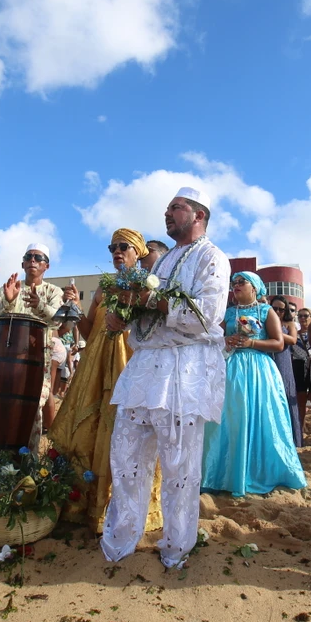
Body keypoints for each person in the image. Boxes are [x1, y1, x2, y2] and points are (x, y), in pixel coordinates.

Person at [101, 187, 230, 569]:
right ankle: (121, 540)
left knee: (179, 466)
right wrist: (123, 317)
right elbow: (145, 319)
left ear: (199, 215)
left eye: (177, 207)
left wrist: (148, 301)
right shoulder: (160, 263)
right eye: (169, 208)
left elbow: (206, 316)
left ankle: (175, 546)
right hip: (145, 369)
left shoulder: (212, 257)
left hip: (184, 372)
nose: (167, 213)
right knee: (125, 457)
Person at [48, 229, 163, 534]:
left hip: (128, 361)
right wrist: (73, 306)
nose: (116, 251)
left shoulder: (146, 286)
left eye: (123, 246)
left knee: (125, 427)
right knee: (90, 427)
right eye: (112, 247)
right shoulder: (103, 287)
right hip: (94, 365)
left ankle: (125, 505)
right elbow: (88, 332)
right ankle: (86, 503)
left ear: (137, 251)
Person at [201, 273, 306, 496]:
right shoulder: (228, 312)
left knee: (263, 417)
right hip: (231, 370)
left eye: (241, 282)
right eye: (234, 283)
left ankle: (264, 473)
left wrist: (251, 342)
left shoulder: (266, 311)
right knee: (230, 418)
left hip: (260, 371)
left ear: (256, 288)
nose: (236, 286)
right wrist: (225, 340)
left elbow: (279, 343)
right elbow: (213, 338)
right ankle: (223, 474)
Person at [0, 242, 68, 444]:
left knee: (32, 411)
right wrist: (8, 301)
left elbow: (58, 320)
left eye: (38, 258)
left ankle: (27, 466)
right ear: (23, 264)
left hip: (36, 361)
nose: (33, 260)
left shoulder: (53, 292)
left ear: (46, 267)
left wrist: (40, 305)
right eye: (29, 257)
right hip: (5, 361)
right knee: (2, 409)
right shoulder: (10, 287)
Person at [269, 294, 303, 447]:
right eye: (274, 308)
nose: (277, 311)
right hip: (268, 359)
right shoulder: (265, 320)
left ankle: (293, 439)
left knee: (286, 396)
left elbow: (293, 340)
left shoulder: (289, 324)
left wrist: (275, 331)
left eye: (281, 309)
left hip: (283, 362)